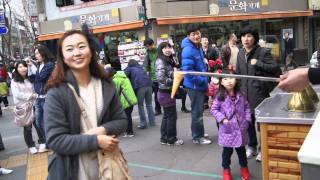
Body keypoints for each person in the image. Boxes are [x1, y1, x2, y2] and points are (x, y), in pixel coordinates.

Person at [44, 29, 127, 180]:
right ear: (62, 56)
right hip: (72, 170)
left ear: (90, 49)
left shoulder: (106, 85)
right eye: (69, 49)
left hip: (107, 168)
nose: (77, 53)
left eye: (81, 46)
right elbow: (55, 140)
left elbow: (121, 121)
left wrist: (101, 130)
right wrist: (96, 141)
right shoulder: (56, 93)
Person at [236, 25, 281, 161]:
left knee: (261, 124)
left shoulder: (262, 52)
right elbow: (239, 74)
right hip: (244, 94)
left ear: (254, 38)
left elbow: (275, 68)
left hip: (259, 94)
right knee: (248, 122)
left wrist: (259, 63)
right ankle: (252, 146)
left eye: (249, 36)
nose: (246, 39)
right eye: (243, 36)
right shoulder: (240, 53)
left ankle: (263, 149)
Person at [211, 71, 251, 180]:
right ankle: (226, 170)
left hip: (241, 128)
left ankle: (244, 168)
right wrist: (222, 119)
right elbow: (214, 109)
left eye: (231, 78)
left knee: (241, 151)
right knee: (227, 152)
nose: (229, 81)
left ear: (236, 79)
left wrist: (247, 120)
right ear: (221, 82)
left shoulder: (241, 94)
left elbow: (247, 107)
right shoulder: (220, 96)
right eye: (225, 79)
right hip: (227, 129)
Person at [181, 25, 211, 145]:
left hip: (198, 84)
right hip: (194, 86)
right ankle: (197, 137)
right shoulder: (188, 49)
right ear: (188, 36)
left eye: (197, 33)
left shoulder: (196, 46)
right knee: (197, 112)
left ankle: (200, 132)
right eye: (193, 34)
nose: (196, 36)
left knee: (198, 111)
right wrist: (203, 81)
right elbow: (188, 72)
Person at [11, 61, 46, 154]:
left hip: (35, 104)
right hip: (24, 108)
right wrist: (31, 95)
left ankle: (42, 142)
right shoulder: (14, 81)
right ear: (17, 69)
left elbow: (37, 84)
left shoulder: (31, 78)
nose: (23, 69)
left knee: (38, 124)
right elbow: (17, 94)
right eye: (20, 67)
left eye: (25, 66)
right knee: (27, 128)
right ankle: (31, 145)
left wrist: (31, 65)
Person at [27, 44, 55, 152]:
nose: (36, 56)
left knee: (48, 121)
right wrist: (30, 67)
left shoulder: (49, 65)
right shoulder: (39, 66)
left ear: (43, 53)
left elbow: (41, 77)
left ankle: (52, 142)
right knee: (39, 122)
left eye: (37, 53)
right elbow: (32, 78)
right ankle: (48, 142)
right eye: (35, 54)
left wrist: (33, 66)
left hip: (47, 97)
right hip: (39, 98)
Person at [156, 42, 184, 146]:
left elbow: (171, 72)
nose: (168, 49)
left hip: (166, 92)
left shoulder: (169, 60)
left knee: (167, 116)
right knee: (171, 116)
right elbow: (161, 78)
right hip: (166, 92)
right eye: (165, 48)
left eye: (169, 47)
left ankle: (164, 138)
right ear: (161, 50)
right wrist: (174, 81)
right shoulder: (161, 61)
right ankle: (172, 139)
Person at [108, 65, 137, 138]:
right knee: (128, 115)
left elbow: (115, 92)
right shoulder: (123, 76)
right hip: (131, 98)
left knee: (126, 116)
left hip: (126, 100)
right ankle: (128, 131)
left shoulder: (116, 80)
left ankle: (129, 132)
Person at [125, 59, 155, 129]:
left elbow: (124, 75)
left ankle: (143, 123)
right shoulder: (141, 67)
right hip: (149, 86)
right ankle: (152, 122)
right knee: (149, 104)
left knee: (140, 105)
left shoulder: (129, 69)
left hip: (140, 87)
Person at [143, 39, 162, 115]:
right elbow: (146, 65)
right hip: (152, 77)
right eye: (146, 47)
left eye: (149, 46)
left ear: (153, 44)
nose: (148, 48)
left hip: (160, 75)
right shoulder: (148, 53)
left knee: (161, 94)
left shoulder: (159, 51)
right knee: (156, 95)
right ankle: (158, 109)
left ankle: (165, 107)